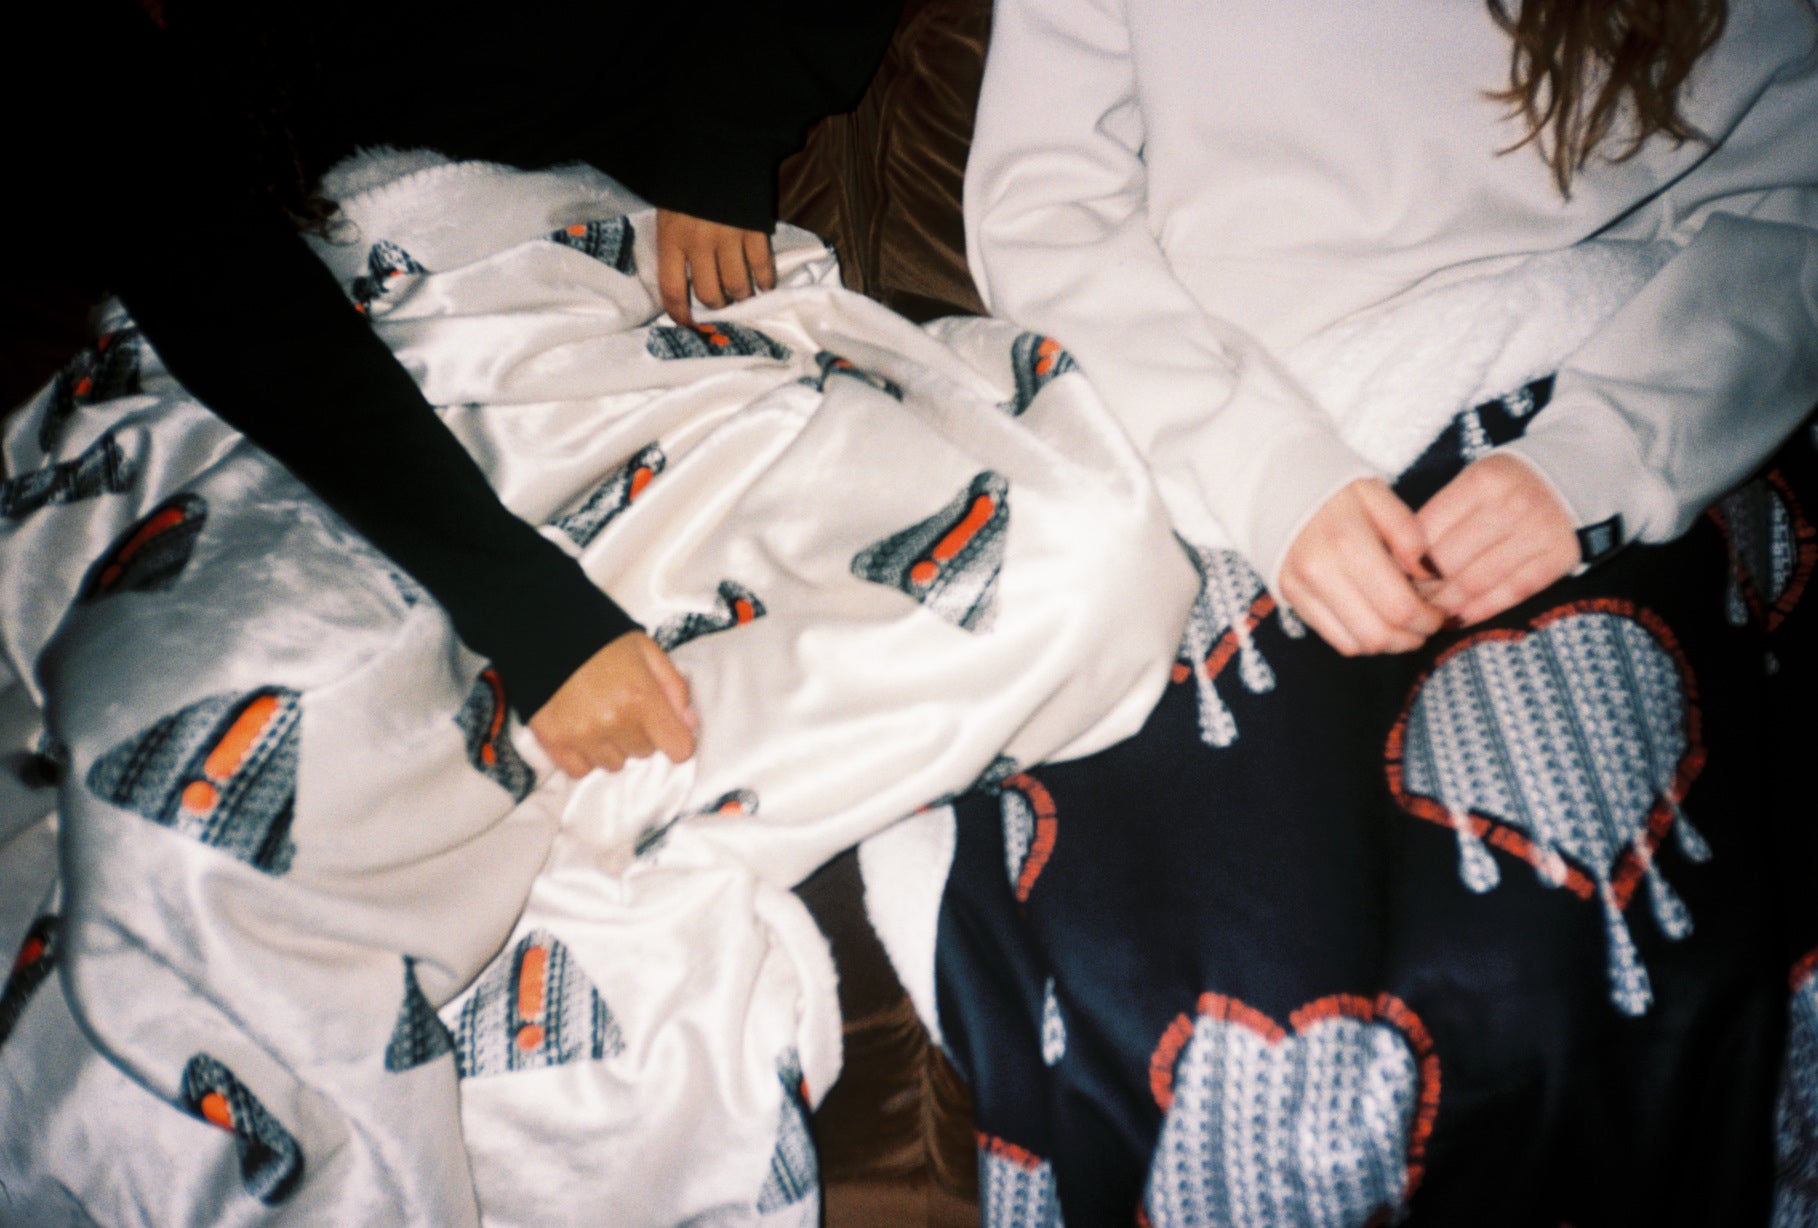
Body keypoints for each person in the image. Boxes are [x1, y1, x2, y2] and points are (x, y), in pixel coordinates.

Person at [13, 0, 900, 777]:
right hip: (306, 350)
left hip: (593, 255)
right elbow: (227, 290)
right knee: (216, 709)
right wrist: (530, 613)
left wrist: (726, 132)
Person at [964, 0, 1818, 657]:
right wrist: (1257, 462)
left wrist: (1610, 453)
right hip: (1207, 409)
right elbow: (1046, 207)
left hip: (1603, 385)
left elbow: (1791, 214)